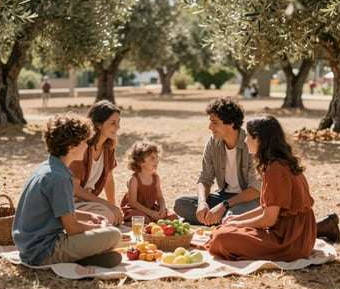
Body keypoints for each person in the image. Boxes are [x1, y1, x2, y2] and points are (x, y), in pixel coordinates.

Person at [12, 112, 122, 267]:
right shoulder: (60, 178)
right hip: (44, 251)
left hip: (29, 248)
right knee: (114, 235)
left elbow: (57, 210)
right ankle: (74, 258)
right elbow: (72, 228)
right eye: (84, 142)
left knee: (105, 234)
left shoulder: (47, 168)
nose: (87, 145)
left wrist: (89, 215)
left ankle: (81, 258)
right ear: (71, 147)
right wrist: (97, 227)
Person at [205, 114, 317, 261]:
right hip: (299, 235)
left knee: (221, 238)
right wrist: (238, 218)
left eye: (248, 136)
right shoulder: (280, 163)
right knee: (225, 229)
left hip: (289, 240)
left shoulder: (276, 170)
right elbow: (267, 208)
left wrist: (238, 224)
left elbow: (268, 219)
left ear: (258, 139)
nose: (245, 140)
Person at [173, 97, 261, 226]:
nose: (210, 127)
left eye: (214, 122)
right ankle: (221, 221)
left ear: (231, 123)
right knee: (181, 204)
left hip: (250, 200)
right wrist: (202, 203)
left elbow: (255, 189)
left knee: (231, 216)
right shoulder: (213, 142)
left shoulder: (252, 143)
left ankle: (223, 221)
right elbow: (205, 178)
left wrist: (224, 206)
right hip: (223, 197)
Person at [69, 100, 123, 226]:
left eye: (119, 122)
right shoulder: (82, 148)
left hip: (88, 203)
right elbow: (75, 189)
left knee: (111, 214)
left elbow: (109, 180)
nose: (118, 127)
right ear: (98, 125)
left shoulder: (108, 147)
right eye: (113, 123)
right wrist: (107, 206)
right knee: (107, 215)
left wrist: (114, 207)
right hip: (70, 203)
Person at [120, 140, 178, 225]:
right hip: (137, 210)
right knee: (142, 219)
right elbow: (133, 203)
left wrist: (162, 208)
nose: (156, 160)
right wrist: (150, 212)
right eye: (152, 158)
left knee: (172, 217)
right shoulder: (134, 180)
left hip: (151, 208)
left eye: (157, 157)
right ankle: (131, 222)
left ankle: (153, 221)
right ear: (140, 162)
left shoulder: (155, 177)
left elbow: (159, 197)